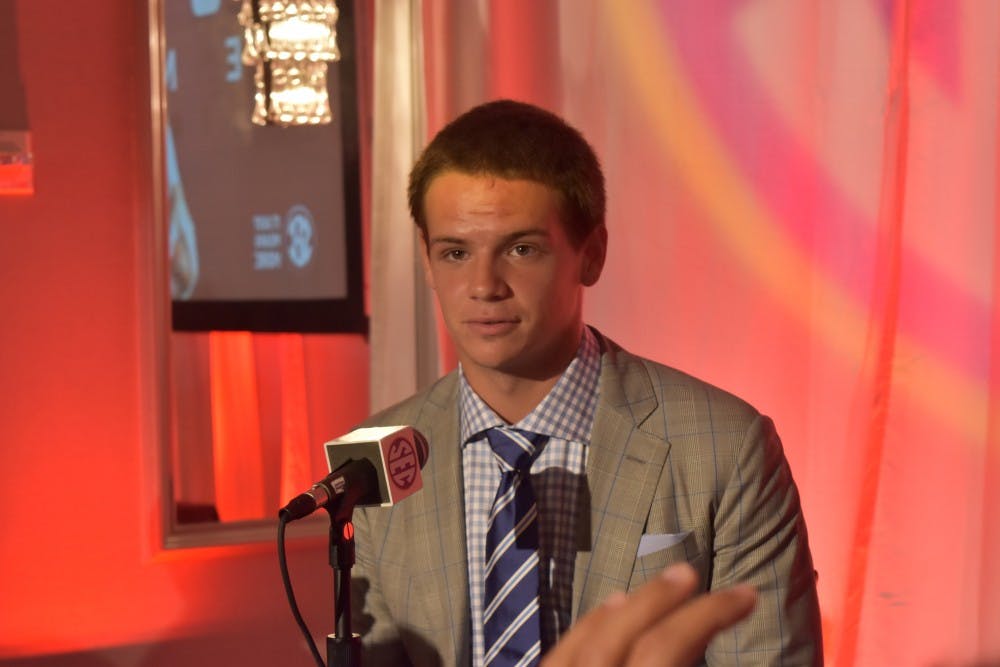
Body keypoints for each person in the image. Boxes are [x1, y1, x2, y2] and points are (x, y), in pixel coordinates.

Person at [351, 99, 822, 666]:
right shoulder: (379, 453)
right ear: (427, 263)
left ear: (591, 255)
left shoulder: (723, 445)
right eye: (455, 253)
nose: (483, 285)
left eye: (521, 250)